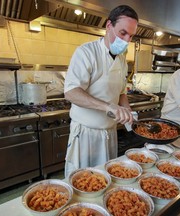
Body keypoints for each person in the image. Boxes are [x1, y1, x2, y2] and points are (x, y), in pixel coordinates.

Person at [64, 5, 138, 177]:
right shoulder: (86, 52)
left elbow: (121, 93)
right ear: (108, 25)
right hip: (86, 135)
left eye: (131, 36)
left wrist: (128, 114)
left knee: (106, 180)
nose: (127, 40)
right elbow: (71, 92)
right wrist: (108, 107)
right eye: (123, 33)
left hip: (109, 133)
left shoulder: (122, 60)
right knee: (82, 182)